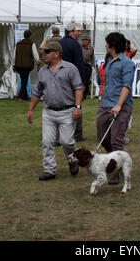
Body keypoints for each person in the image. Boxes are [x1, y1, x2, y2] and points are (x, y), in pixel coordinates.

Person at [27, 41, 84, 181]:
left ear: (57, 53)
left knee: (67, 142)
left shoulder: (70, 68)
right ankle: (49, 170)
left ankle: (72, 161)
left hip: (67, 111)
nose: (43, 54)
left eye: (47, 52)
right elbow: (37, 92)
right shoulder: (42, 71)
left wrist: (77, 107)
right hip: (49, 112)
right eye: (43, 52)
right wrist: (30, 110)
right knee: (47, 141)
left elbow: (79, 88)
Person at [97, 32, 135, 185]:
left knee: (116, 139)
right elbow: (107, 84)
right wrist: (102, 101)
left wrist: (119, 105)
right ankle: (113, 160)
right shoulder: (109, 61)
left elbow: (126, 86)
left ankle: (115, 172)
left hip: (122, 106)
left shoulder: (127, 63)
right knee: (102, 137)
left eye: (107, 43)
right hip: (105, 105)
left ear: (112, 45)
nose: (105, 45)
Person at [59, 23, 86, 142]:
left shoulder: (59, 43)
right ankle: (77, 134)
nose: (80, 33)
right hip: (73, 79)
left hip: (59, 78)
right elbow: (79, 64)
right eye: (78, 31)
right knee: (77, 105)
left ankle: (59, 135)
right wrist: (83, 82)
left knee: (60, 106)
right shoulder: (75, 44)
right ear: (71, 31)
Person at [13, 30, 39, 102]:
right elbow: (35, 55)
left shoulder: (18, 44)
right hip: (27, 65)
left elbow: (14, 56)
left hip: (19, 65)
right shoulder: (31, 44)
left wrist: (14, 64)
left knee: (23, 80)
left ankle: (24, 96)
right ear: (30, 36)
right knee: (24, 81)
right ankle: (21, 97)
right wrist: (38, 62)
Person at [81, 34, 95, 100]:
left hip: (88, 66)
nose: (83, 41)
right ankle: (82, 95)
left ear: (88, 41)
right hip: (81, 65)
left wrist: (93, 65)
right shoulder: (79, 47)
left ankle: (85, 93)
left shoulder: (91, 48)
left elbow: (92, 57)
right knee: (81, 81)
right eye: (82, 40)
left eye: (85, 40)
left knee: (87, 81)